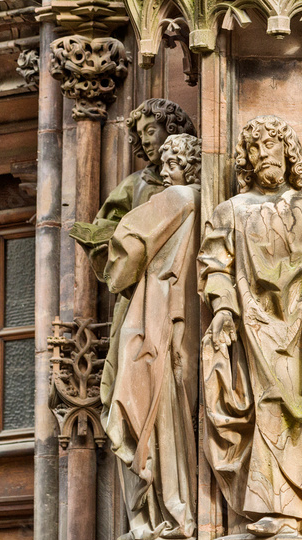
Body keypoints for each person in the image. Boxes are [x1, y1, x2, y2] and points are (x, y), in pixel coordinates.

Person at [198, 115, 302, 537]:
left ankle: (296, 504)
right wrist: (223, 310)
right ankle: (271, 505)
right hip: (254, 321)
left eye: (272, 145)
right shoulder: (230, 211)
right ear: (246, 160)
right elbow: (215, 267)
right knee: (265, 400)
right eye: (255, 148)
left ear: (289, 152)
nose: (264, 153)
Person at [75, 133, 202, 540]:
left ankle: (161, 507)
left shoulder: (178, 198)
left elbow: (128, 244)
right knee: (165, 404)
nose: (165, 172)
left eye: (173, 163)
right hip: (182, 316)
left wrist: (96, 243)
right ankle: (172, 507)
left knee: (136, 394)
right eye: (163, 163)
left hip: (154, 310)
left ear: (192, 166)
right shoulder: (206, 201)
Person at [70, 98, 196, 410]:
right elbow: (109, 230)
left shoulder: (194, 187)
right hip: (138, 287)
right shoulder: (134, 185)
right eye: (141, 134)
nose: (147, 139)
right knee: (133, 365)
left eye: (151, 130)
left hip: (181, 281)